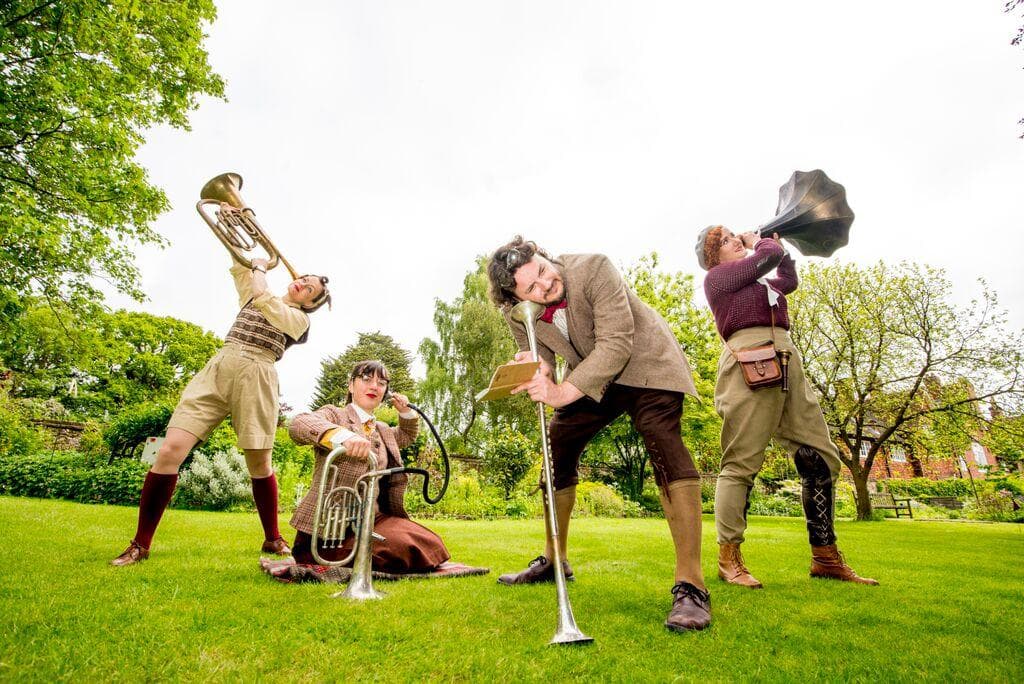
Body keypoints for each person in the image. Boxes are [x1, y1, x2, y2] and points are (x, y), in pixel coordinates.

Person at [486, 236, 710, 632]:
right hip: (595, 377)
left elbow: (617, 344)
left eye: (542, 270)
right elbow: (545, 361)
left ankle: (691, 585)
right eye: (531, 289)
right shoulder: (519, 313)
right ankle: (555, 558)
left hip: (646, 363)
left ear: (542, 254)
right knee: (557, 444)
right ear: (514, 297)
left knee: (662, 440)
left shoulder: (594, 268)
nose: (544, 285)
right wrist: (535, 368)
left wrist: (559, 393)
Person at [111, 257, 331, 566]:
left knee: (259, 463)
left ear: (311, 303)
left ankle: (272, 537)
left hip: (258, 374)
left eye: (309, 288)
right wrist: (237, 224)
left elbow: (263, 296)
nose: (302, 283)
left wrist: (260, 268)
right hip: (219, 367)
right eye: (303, 278)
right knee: (168, 450)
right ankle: (140, 544)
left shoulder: (299, 321)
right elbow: (242, 269)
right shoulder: (254, 293)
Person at [696, 225, 877, 588]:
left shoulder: (757, 283)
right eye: (728, 239)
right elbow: (767, 258)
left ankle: (825, 558)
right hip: (750, 359)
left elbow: (787, 278)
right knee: (741, 461)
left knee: (821, 456)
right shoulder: (718, 278)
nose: (736, 241)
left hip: (786, 357)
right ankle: (728, 558)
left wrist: (781, 247)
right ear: (714, 256)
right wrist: (761, 243)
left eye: (736, 236)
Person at [287, 360, 450, 572]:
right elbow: (298, 424)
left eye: (381, 383)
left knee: (430, 542)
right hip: (329, 531)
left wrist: (405, 412)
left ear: (386, 392)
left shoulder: (381, 429)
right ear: (351, 385)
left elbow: (407, 435)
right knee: (400, 549)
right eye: (366, 379)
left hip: (373, 520)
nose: (374, 386)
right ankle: (335, 557)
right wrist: (342, 437)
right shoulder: (335, 415)